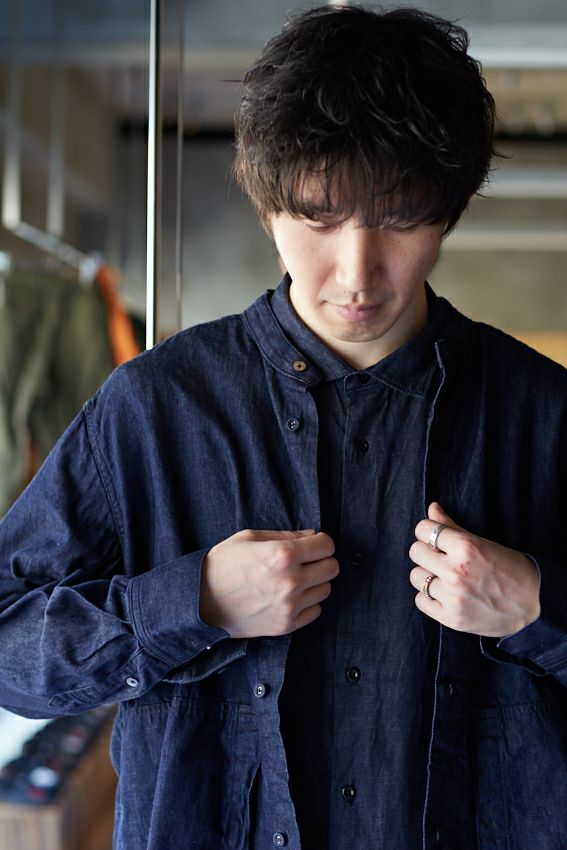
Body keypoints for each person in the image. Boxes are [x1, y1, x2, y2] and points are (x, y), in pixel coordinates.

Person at [1, 5, 566, 849]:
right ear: (268, 209)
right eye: (318, 217)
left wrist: (538, 606)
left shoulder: (541, 412)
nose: (357, 271)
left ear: (448, 212)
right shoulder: (153, 407)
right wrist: (190, 603)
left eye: (400, 217)